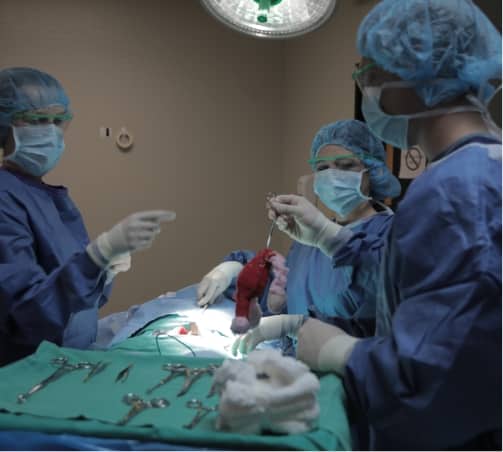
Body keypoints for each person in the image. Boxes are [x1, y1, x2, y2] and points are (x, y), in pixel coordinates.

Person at [235, 0, 502, 449]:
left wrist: (343, 352)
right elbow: (424, 277)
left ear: (417, 72)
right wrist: (328, 236)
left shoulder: (458, 190)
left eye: (372, 68)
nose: (365, 84)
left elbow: (438, 381)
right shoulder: (473, 173)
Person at [0, 67, 175, 366]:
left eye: (58, 121)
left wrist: (104, 268)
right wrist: (98, 255)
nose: (51, 131)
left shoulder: (53, 198)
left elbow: (77, 300)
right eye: (37, 120)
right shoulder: (5, 198)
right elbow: (24, 314)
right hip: (21, 368)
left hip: (64, 357)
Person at [197, 119, 400, 336]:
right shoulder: (312, 236)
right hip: (294, 363)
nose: (332, 175)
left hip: (345, 367)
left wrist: (300, 327)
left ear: (373, 171)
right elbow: (280, 293)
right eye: (322, 167)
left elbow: (384, 322)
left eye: (346, 165)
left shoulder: (392, 237)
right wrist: (233, 270)